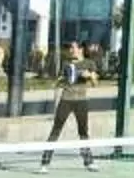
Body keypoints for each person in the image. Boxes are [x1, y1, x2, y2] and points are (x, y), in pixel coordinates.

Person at [42, 39, 98, 168]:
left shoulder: (89, 63)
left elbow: (95, 83)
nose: (71, 50)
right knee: (56, 130)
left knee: (83, 131)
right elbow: (60, 81)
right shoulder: (66, 64)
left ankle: (88, 161)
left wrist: (89, 75)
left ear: (80, 49)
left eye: (73, 48)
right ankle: (45, 162)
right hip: (66, 100)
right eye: (70, 48)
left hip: (81, 101)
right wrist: (59, 81)